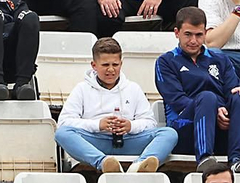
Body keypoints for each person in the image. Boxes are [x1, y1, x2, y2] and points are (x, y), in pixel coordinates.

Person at [55, 37, 178, 174]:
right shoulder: (82, 89)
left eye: (115, 65)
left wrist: (130, 126)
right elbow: (64, 122)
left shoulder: (133, 88)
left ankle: (139, 166)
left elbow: (150, 122)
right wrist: (98, 125)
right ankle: (104, 163)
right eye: (105, 65)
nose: (111, 70)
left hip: (128, 140)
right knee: (62, 133)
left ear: (121, 63)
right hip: (95, 141)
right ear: (94, 65)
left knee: (169, 133)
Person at [156, 6, 240, 171]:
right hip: (185, 129)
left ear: (205, 33)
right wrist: (214, 108)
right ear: (176, 33)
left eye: (199, 35)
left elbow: (231, 90)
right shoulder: (166, 61)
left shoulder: (220, 59)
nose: (193, 41)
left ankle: (237, 158)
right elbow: (177, 101)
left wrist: (223, 108)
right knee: (208, 97)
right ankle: (204, 158)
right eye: (188, 34)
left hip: (219, 127)